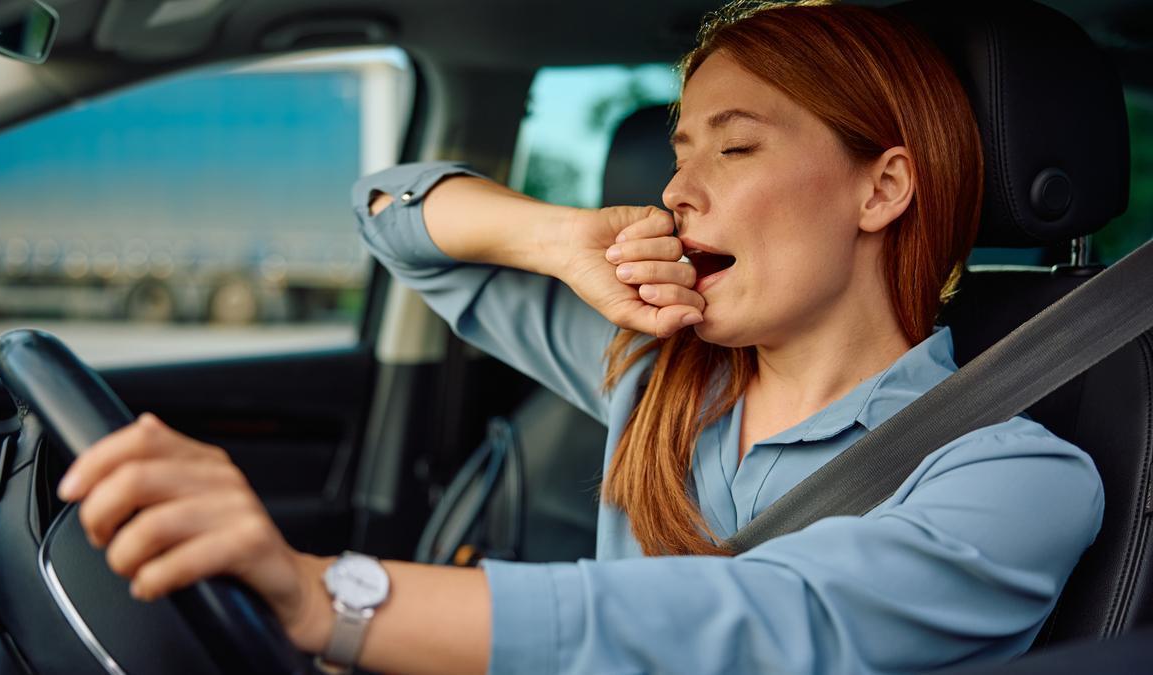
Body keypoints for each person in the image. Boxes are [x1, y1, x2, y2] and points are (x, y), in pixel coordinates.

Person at [55, 1, 1104, 673]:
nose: (678, 191)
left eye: (734, 149)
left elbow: (760, 618)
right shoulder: (654, 364)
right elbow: (388, 212)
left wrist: (332, 594)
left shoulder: (1018, 479)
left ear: (882, 188)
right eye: (678, 152)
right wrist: (559, 238)